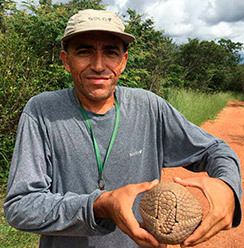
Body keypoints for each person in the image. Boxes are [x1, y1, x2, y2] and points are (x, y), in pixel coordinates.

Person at [4, 9, 242, 248]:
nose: (98, 65)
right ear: (66, 60)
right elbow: (20, 207)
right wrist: (99, 206)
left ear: (124, 61)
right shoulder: (42, 111)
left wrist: (228, 187)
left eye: (110, 52)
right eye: (85, 51)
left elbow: (215, 150)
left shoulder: (150, 107)